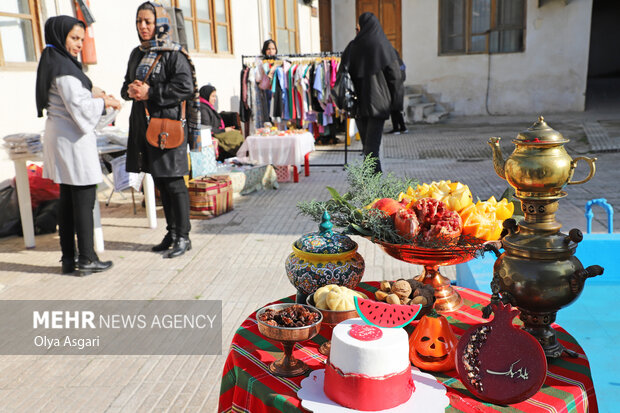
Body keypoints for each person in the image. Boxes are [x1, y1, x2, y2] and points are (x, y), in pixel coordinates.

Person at [35, 15, 120, 276]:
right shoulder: (63, 69)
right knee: (83, 199)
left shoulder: (58, 62)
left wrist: (99, 97)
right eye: (74, 38)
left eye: (82, 39)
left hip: (64, 138)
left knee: (69, 199)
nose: (78, 44)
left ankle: (70, 258)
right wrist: (106, 103)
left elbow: (80, 101)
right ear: (60, 37)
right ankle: (87, 259)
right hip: (71, 140)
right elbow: (80, 108)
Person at [121, 1, 201, 258]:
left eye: (148, 21)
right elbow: (126, 84)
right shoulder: (137, 53)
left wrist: (150, 92)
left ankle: (183, 236)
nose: (143, 27)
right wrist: (130, 91)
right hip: (145, 128)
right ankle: (172, 231)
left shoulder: (173, 53)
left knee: (174, 183)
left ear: (160, 23)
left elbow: (184, 87)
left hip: (168, 129)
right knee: (161, 183)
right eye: (139, 22)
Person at [340, 12, 403, 174]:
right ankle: (374, 187)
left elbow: (342, 74)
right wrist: (396, 105)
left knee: (368, 148)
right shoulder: (384, 46)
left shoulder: (352, 47)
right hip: (379, 105)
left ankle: (372, 185)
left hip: (358, 104)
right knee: (371, 148)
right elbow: (395, 77)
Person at [199, 85, 245, 161]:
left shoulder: (207, 107)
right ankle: (240, 158)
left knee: (236, 134)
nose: (215, 99)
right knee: (236, 137)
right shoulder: (203, 109)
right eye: (213, 96)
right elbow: (206, 128)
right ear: (206, 96)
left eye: (215, 96)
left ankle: (239, 157)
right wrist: (224, 130)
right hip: (213, 133)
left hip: (217, 131)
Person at [388, 50, 408, 135]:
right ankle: (403, 128)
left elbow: (391, 75)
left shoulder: (393, 62)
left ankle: (396, 129)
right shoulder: (400, 62)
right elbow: (403, 76)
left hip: (394, 87)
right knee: (398, 109)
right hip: (400, 86)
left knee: (394, 109)